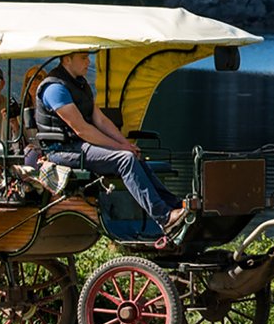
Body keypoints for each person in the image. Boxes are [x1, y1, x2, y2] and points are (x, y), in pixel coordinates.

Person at [33, 50, 184, 228]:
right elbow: (82, 129)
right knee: (125, 159)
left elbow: (101, 120)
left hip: (79, 146)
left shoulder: (80, 85)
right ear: (67, 59)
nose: (88, 62)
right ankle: (164, 217)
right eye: (83, 58)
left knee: (133, 155)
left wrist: (127, 144)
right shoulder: (55, 88)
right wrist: (121, 149)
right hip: (62, 150)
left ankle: (175, 205)